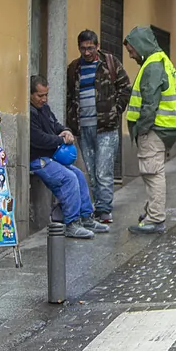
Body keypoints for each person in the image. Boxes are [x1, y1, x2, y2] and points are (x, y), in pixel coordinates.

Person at [66, 29, 132, 226]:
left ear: (97, 46)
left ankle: (104, 210)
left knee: (103, 171)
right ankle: (98, 208)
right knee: (92, 171)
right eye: (83, 48)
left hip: (106, 127)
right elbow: (70, 96)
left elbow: (125, 88)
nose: (86, 52)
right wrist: (71, 121)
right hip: (83, 127)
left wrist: (115, 110)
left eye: (90, 48)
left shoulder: (110, 63)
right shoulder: (73, 68)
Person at [29, 75, 104, 239]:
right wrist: (60, 139)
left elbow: (55, 125)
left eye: (46, 95)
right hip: (38, 159)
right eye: (40, 95)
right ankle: (71, 223)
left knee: (78, 174)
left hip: (50, 157)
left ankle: (86, 217)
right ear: (30, 95)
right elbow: (38, 139)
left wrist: (65, 130)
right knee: (69, 178)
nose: (44, 99)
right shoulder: (30, 113)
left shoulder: (44, 109)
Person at [123, 26, 176, 235]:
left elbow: (149, 104)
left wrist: (141, 129)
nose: (131, 56)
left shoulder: (152, 66)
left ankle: (155, 219)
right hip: (165, 127)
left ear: (140, 46)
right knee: (153, 171)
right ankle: (151, 213)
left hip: (155, 128)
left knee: (152, 172)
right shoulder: (160, 61)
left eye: (131, 51)